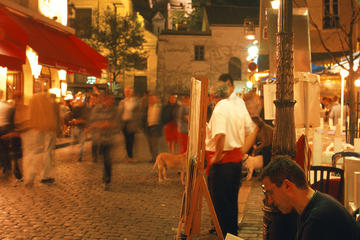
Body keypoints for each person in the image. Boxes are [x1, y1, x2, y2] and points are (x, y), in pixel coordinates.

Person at [261, 157, 359, 240]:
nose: (269, 201)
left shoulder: (318, 220)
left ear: (287, 186)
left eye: (271, 193)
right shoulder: (312, 206)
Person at [205, 81, 257, 236]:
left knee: (220, 204)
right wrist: (241, 151)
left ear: (213, 96)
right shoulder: (237, 107)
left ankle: (225, 235)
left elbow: (220, 134)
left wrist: (218, 155)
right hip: (234, 162)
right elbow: (252, 130)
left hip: (222, 164)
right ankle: (232, 235)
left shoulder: (220, 109)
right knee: (231, 203)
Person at [23, 91, 60, 186]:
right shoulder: (49, 102)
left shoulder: (33, 100)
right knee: (48, 152)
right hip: (48, 128)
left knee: (32, 152)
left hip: (35, 128)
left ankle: (29, 177)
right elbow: (54, 117)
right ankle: (45, 176)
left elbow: (29, 114)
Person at [89, 94, 116, 190]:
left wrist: (110, 125)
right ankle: (105, 176)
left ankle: (107, 179)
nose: (111, 102)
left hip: (108, 139)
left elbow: (117, 123)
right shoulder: (97, 109)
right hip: (98, 138)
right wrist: (100, 125)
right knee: (103, 159)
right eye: (110, 100)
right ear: (105, 100)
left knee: (107, 159)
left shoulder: (114, 110)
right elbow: (91, 122)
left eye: (113, 100)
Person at [117, 86, 139, 162]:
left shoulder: (134, 101)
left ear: (131, 92)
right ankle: (128, 156)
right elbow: (119, 113)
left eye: (128, 91)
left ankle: (131, 156)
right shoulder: (122, 102)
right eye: (126, 91)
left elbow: (136, 111)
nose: (127, 93)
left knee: (131, 140)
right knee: (126, 140)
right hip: (124, 123)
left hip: (131, 123)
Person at [143, 94, 162, 163]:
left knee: (154, 144)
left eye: (153, 99)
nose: (151, 100)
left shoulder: (159, 107)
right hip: (148, 127)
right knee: (150, 144)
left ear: (156, 99)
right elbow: (144, 117)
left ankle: (156, 158)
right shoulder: (146, 107)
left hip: (155, 127)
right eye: (150, 99)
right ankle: (153, 157)